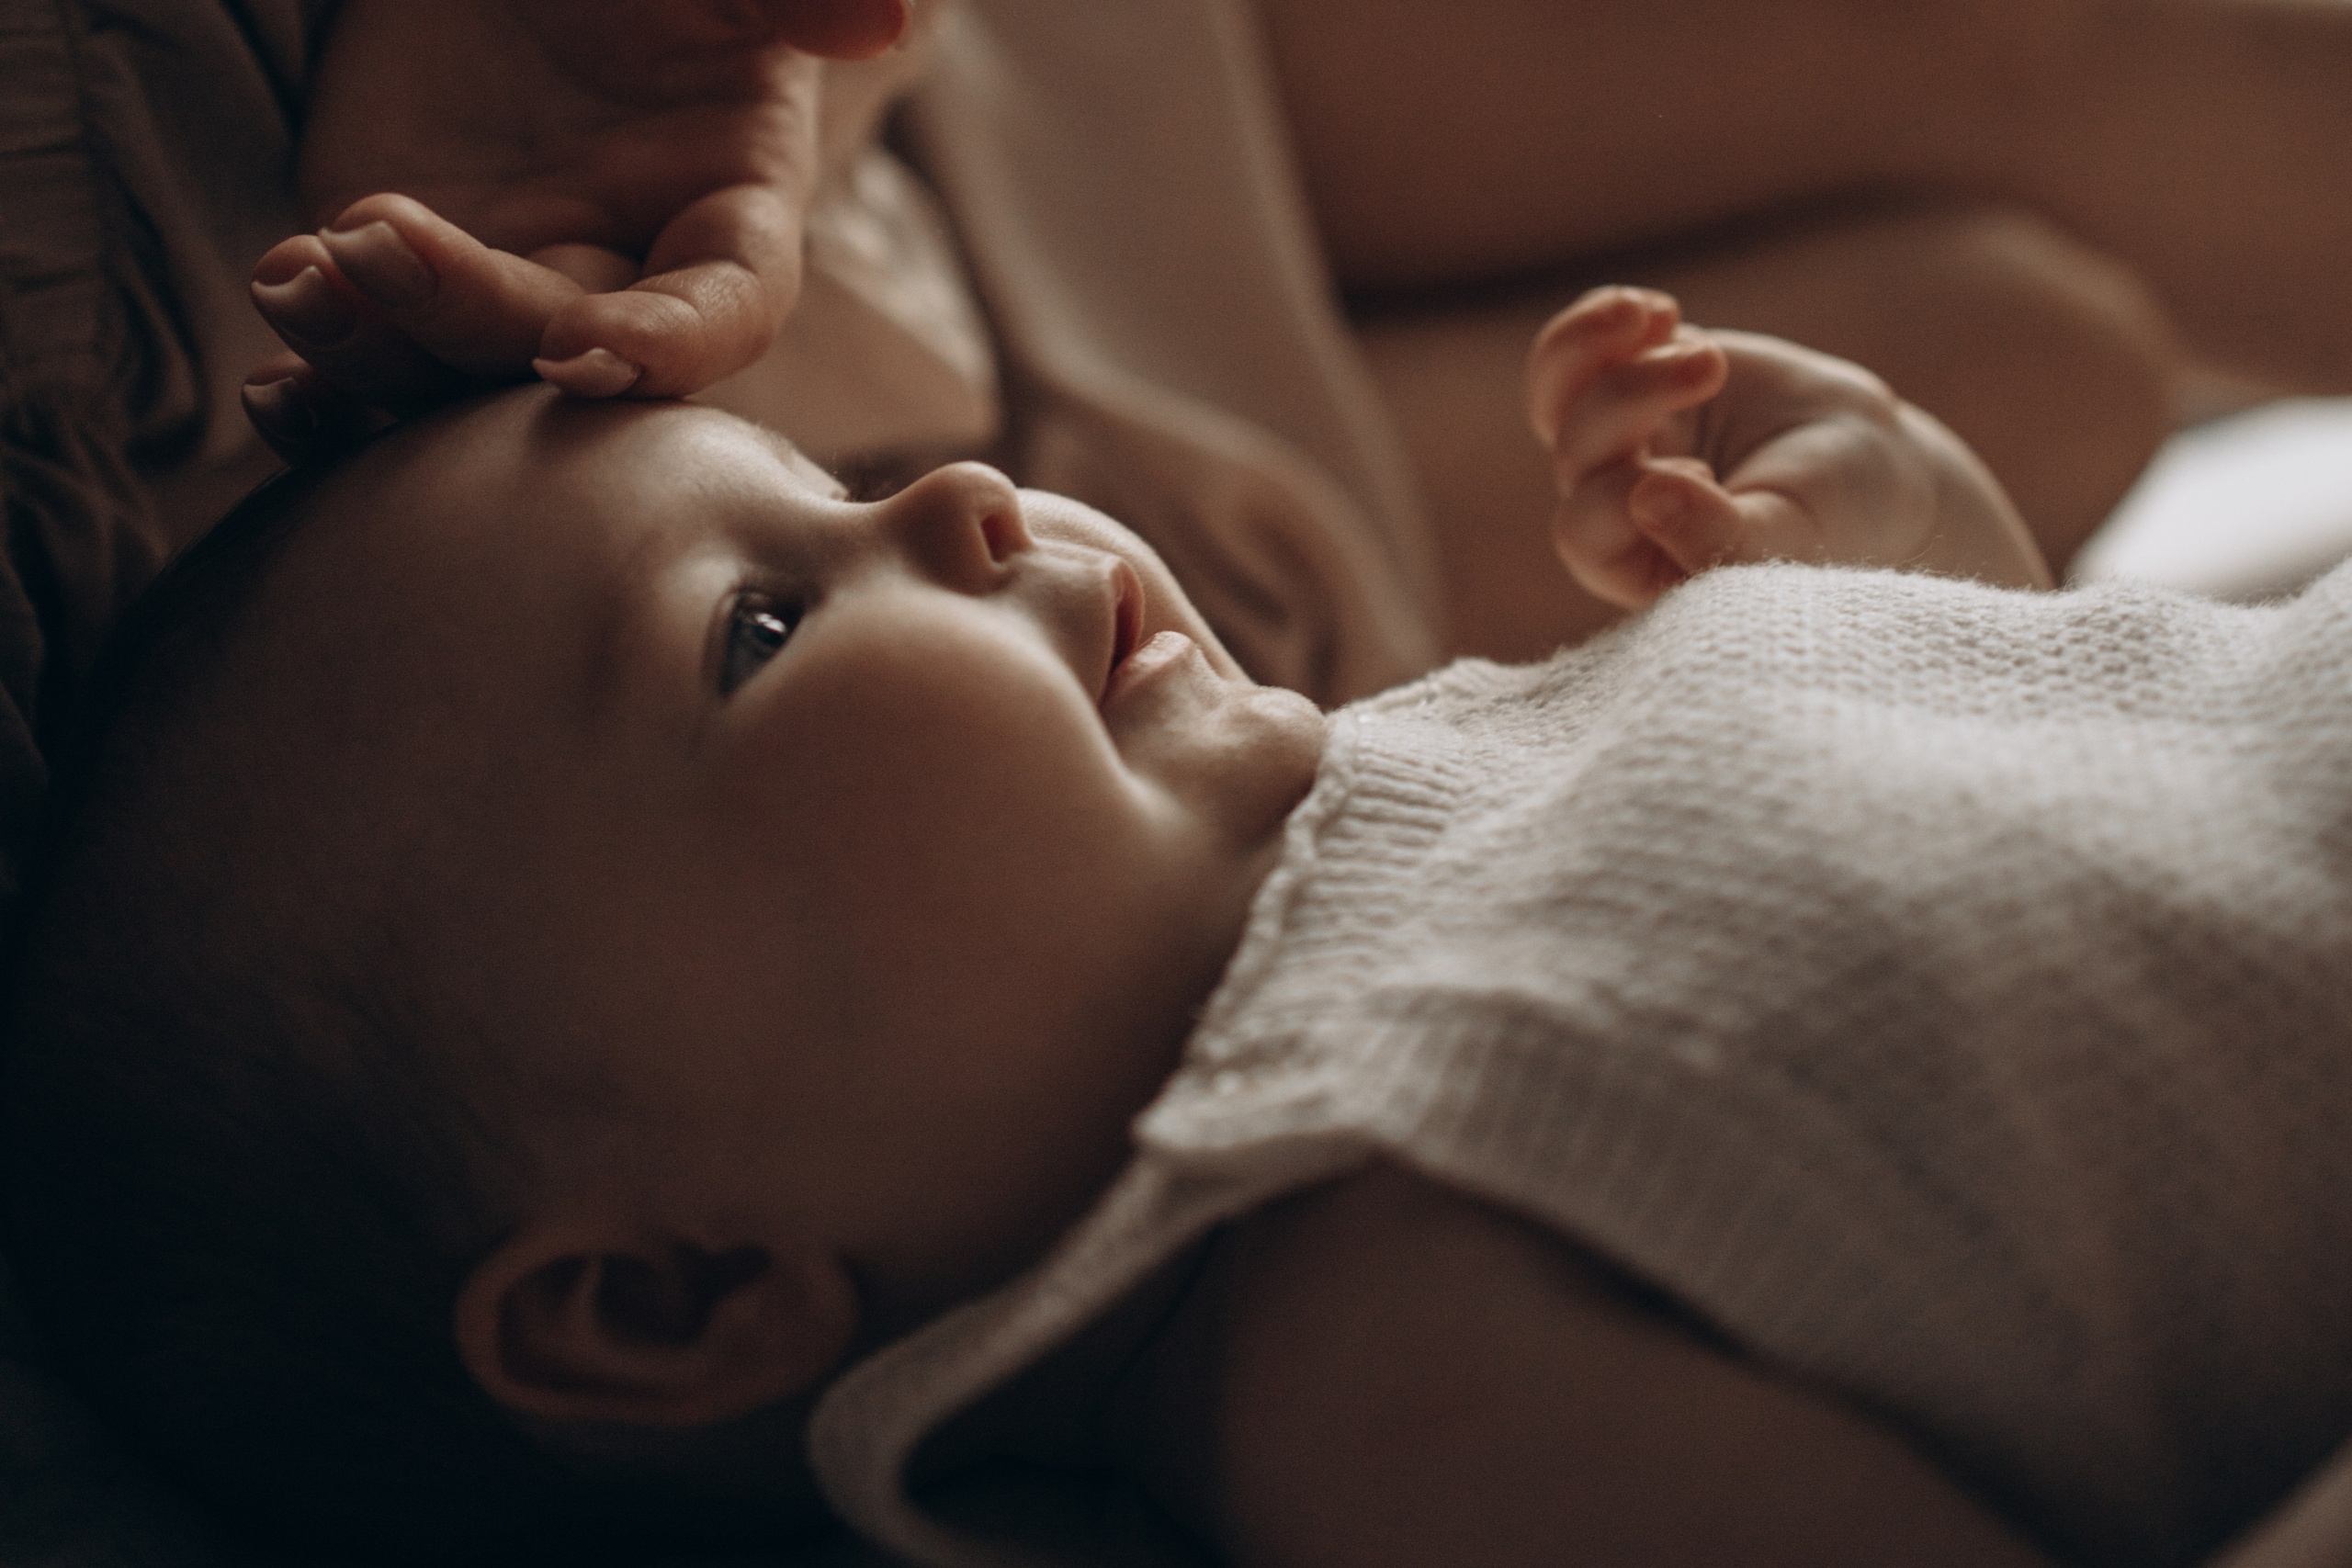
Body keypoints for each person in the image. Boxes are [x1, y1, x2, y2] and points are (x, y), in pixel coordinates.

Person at [7, 288, 2347, 1568]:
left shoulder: (1398, 785)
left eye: (822, 482)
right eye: (756, 627)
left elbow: (2082, 847)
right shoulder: (1379, 1357)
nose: (941, 487)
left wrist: (1894, 570)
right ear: (671, 1291)